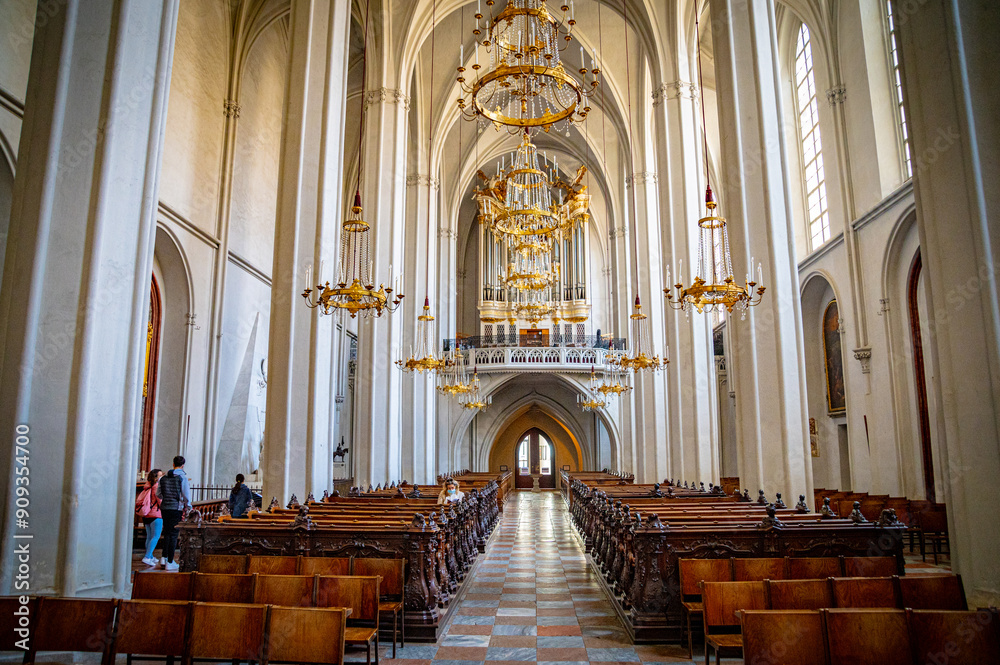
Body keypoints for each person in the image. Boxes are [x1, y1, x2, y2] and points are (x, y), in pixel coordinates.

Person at [156, 455, 191, 571]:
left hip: (165, 507)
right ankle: (170, 562)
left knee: (166, 532)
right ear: (183, 465)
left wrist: (166, 497)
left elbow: (158, 494)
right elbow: (185, 495)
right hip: (176, 508)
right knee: (173, 534)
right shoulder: (182, 478)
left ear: (173, 464)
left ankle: (164, 557)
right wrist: (188, 505)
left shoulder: (163, 478)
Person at [135, 469, 163, 566]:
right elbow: (160, 501)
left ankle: (150, 556)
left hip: (146, 514)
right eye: (160, 475)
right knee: (156, 536)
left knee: (149, 536)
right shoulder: (156, 487)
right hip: (155, 514)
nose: (161, 477)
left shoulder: (147, 486)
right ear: (156, 478)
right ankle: (147, 556)